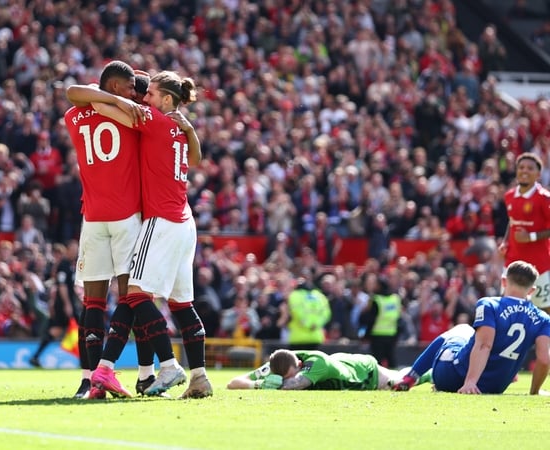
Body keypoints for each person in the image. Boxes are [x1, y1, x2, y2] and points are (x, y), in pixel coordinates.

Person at [75, 70, 212, 398]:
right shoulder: (179, 128)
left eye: (149, 93)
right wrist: (191, 128)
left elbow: (97, 103)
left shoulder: (155, 120)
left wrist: (115, 97)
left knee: (135, 295)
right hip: (185, 222)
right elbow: (197, 158)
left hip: (161, 221)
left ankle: (166, 367)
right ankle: (200, 377)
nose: (143, 98)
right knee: (181, 304)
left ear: (166, 99)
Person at [62, 60, 145, 399]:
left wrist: (114, 99)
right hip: (125, 215)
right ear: (113, 88)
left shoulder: (73, 117)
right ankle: (141, 374)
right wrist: (123, 103)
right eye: (128, 89)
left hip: (93, 217)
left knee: (92, 301)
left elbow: (72, 93)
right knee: (134, 297)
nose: (133, 95)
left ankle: (88, 379)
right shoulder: (129, 116)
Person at [392, 260, 550, 394]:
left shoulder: (490, 304)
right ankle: (421, 375)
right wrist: (534, 392)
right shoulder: (543, 318)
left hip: (453, 377)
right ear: (532, 290)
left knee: (461, 329)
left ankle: (411, 376)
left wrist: (470, 382)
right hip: (494, 387)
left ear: (503, 282)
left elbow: (484, 345)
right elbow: (544, 358)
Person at [226, 348, 430, 391]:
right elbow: (233, 383)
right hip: (340, 362)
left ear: (299, 365)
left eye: (291, 375)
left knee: (401, 383)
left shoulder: (316, 363)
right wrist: (256, 384)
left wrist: (269, 386)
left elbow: (295, 385)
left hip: (364, 372)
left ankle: (430, 371)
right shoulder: (279, 362)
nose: (285, 379)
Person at [498, 153, 550, 314]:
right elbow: (512, 221)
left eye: (530, 168)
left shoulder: (544, 198)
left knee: (544, 310)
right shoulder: (509, 196)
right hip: (512, 262)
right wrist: (505, 242)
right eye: (521, 167)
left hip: (539, 265)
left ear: (538, 174)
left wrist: (531, 237)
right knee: (506, 308)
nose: (524, 171)